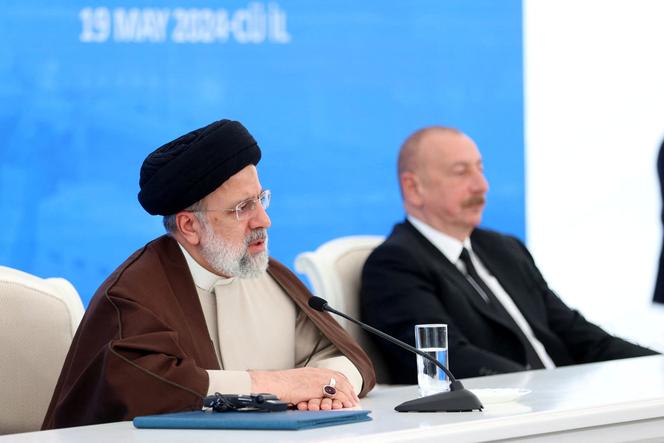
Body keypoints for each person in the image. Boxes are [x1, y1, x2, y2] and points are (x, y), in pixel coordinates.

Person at [43, 119, 375, 429]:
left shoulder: (267, 275)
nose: (263, 220)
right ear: (190, 226)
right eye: (243, 208)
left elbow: (339, 354)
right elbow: (146, 390)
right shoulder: (131, 296)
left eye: (261, 200)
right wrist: (281, 385)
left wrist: (329, 387)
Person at [360, 126, 658, 383]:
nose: (482, 186)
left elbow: (578, 334)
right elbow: (448, 360)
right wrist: (543, 388)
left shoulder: (504, 248)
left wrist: (657, 364)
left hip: (565, 402)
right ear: (413, 188)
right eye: (461, 172)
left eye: (481, 169)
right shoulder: (394, 265)